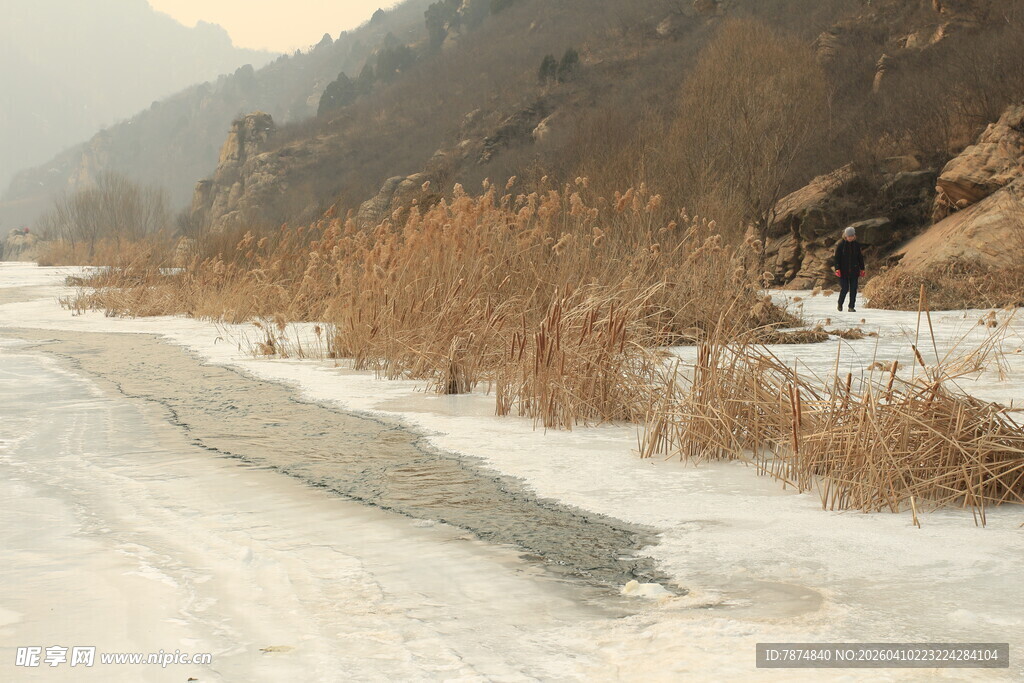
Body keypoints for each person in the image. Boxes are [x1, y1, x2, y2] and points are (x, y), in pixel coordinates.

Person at [833, 226, 865, 312]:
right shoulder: (841, 245)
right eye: (848, 236)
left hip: (854, 271)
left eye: (852, 236)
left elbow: (860, 258)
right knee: (845, 288)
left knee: (853, 289)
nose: (850, 237)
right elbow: (836, 258)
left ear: (854, 236)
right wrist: (837, 268)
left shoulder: (857, 245)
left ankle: (851, 307)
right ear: (845, 236)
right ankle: (840, 303)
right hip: (843, 271)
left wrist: (862, 269)